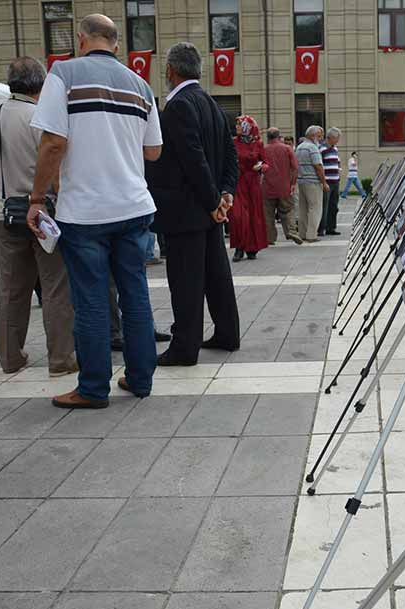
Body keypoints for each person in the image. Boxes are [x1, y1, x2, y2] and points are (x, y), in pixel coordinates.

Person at [27, 14, 162, 409]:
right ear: (116, 44)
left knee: (90, 301)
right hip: (135, 204)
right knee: (135, 294)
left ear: (81, 39)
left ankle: (92, 388)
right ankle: (139, 379)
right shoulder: (141, 85)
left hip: (85, 210)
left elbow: (53, 142)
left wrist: (36, 199)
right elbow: (153, 151)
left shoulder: (64, 73)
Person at [0, 56, 77, 376]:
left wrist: (0, 203)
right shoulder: (39, 117)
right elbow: (54, 166)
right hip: (42, 211)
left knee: (11, 288)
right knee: (55, 286)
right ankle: (61, 358)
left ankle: (10, 356)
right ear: (41, 83)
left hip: (6, 212)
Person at [146, 41, 241, 366]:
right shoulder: (210, 103)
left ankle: (185, 347)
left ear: (170, 71)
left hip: (187, 210)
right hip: (209, 208)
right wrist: (225, 194)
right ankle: (227, 333)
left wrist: (215, 199)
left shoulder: (178, 105)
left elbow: (193, 159)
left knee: (186, 281)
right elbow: (230, 155)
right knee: (216, 276)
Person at [230, 114, 269, 260]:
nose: (237, 127)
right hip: (238, 182)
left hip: (253, 183)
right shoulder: (233, 142)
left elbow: (265, 163)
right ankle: (239, 247)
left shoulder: (258, 144)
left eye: (240, 125)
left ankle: (252, 248)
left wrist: (261, 167)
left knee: (254, 216)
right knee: (238, 216)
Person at [262, 126, 301, 245]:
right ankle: (291, 231)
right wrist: (293, 183)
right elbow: (295, 167)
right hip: (284, 186)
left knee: (268, 213)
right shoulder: (287, 149)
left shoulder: (264, 149)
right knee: (288, 210)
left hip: (267, 186)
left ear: (267, 137)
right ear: (279, 136)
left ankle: (270, 237)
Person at [294, 125, 328, 242]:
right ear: (313, 136)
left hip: (301, 181)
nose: (320, 138)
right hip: (313, 182)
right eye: (319, 136)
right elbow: (318, 166)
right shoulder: (313, 148)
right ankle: (312, 235)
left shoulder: (299, 147)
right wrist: (324, 182)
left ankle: (302, 234)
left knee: (303, 209)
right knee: (315, 208)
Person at [319, 126, 342, 236]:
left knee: (334, 205)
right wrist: (323, 181)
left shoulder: (335, 148)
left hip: (335, 181)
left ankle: (331, 228)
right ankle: (322, 228)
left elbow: (338, 162)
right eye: (337, 138)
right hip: (327, 181)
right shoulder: (322, 148)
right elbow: (319, 165)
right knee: (325, 206)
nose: (338, 140)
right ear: (331, 137)